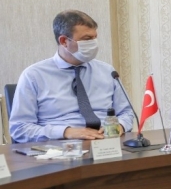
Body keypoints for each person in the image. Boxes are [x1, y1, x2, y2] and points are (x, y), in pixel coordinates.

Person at [9, 10, 134, 143]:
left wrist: (119, 126)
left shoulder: (108, 71)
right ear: (64, 41)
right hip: (59, 146)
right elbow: (20, 128)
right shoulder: (33, 76)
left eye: (95, 37)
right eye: (87, 39)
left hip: (106, 143)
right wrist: (66, 132)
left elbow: (127, 113)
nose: (94, 43)